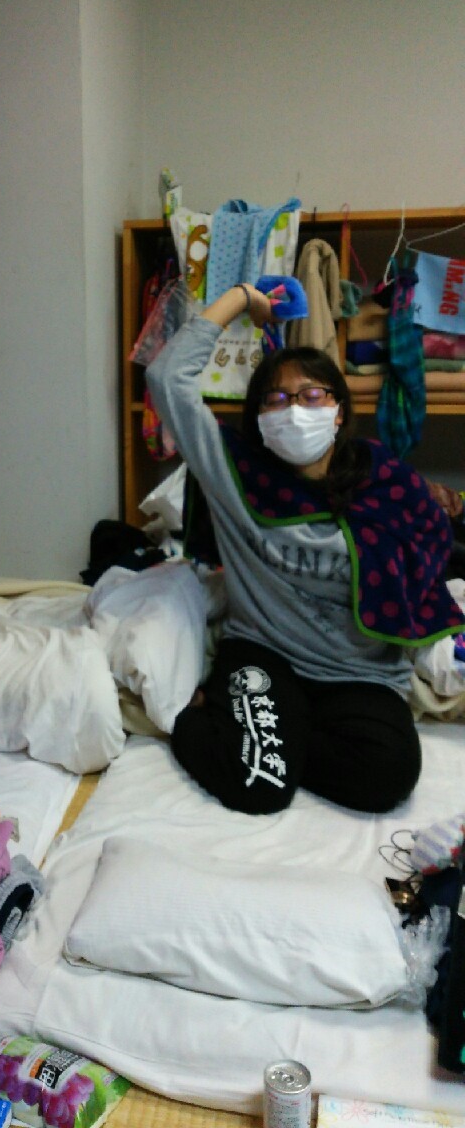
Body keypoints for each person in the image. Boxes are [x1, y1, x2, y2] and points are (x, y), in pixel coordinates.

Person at [146, 281, 464, 816]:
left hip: (358, 673)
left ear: (338, 411)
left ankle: (273, 741)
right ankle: (198, 719)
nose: (294, 409)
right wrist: (243, 298)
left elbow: (430, 559)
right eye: (276, 398)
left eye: (312, 395)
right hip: (265, 655)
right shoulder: (235, 474)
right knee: (259, 787)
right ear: (258, 418)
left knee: (388, 777)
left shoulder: (387, 483)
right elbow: (166, 377)